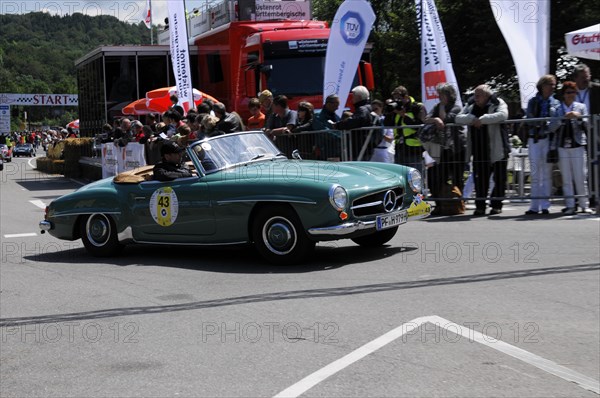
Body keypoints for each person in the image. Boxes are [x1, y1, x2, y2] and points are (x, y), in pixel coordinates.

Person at [456, 84, 509, 216]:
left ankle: (496, 205)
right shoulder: (471, 105)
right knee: (480, 180)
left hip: (498, 148)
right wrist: (472, 119)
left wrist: (483, 119)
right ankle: (480, 206)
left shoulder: (498, 102)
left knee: (500, 179)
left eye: (478, 95)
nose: (475, 97)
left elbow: (503, 115)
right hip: (479, 148)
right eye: (475, 95)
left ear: (487, 96)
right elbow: (458, 118)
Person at [423, 83, 467, 213]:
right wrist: (435, 119)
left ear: (449, 95)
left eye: (441, 94)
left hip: (457, 148)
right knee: (438, 177)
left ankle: (458, 204)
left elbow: (446, 119)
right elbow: (426, 119)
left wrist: (441, 110)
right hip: (442, 149)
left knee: (457, 177)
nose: (439, 97)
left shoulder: (457, 108)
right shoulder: (437, 107)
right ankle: (440, 204)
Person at [550, 81, 591, 215]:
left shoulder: (581, 107)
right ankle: (570, 206)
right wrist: (562, 118)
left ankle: (584, 205)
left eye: (573, 92)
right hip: (562, 146)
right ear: (563, 94)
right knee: (566, 178)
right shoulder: (557, 109)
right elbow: (551, 127)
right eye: (568, 92)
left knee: (580, 176)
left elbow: (587, 124)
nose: (571, 95)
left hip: (577, 145)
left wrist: (578, 117)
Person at [524, 74, 561, 215]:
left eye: (554, 84)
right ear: (542, 85)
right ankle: (534, 206)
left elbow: (556, 122)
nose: (552, 87)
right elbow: (530, 119)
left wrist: (545, 126)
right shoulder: (533, 101)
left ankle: (545, 205)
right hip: (534, 139)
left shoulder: (555, 103)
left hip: (548, 139)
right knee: (535, 173)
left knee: (546, 174)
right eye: (550, 84)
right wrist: (541, 123)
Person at [385, 86, 426, 174]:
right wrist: (390, 111)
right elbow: (387, 124)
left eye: (399, 98)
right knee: (400, 178)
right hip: (400, 148)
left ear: (406, 97)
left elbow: (419, 126)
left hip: (414, 150)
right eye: (395, 98)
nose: (396, 100)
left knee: (415, 179)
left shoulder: (417, 107)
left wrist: (403, 115)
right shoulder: (395, 108)